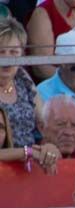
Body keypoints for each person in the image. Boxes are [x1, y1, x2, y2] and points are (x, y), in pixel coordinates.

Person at [0, 17, 42, 147]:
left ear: (22, 54)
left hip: (29, 160)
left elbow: (43, 120)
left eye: (13, 52)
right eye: (1, 52)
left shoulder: (23, 78)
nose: (7, 58)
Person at [0, 105, 59, 171]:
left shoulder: (19, 159)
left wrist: (47, 153)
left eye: (0, 127)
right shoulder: (23, 154)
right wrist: (29, 152)